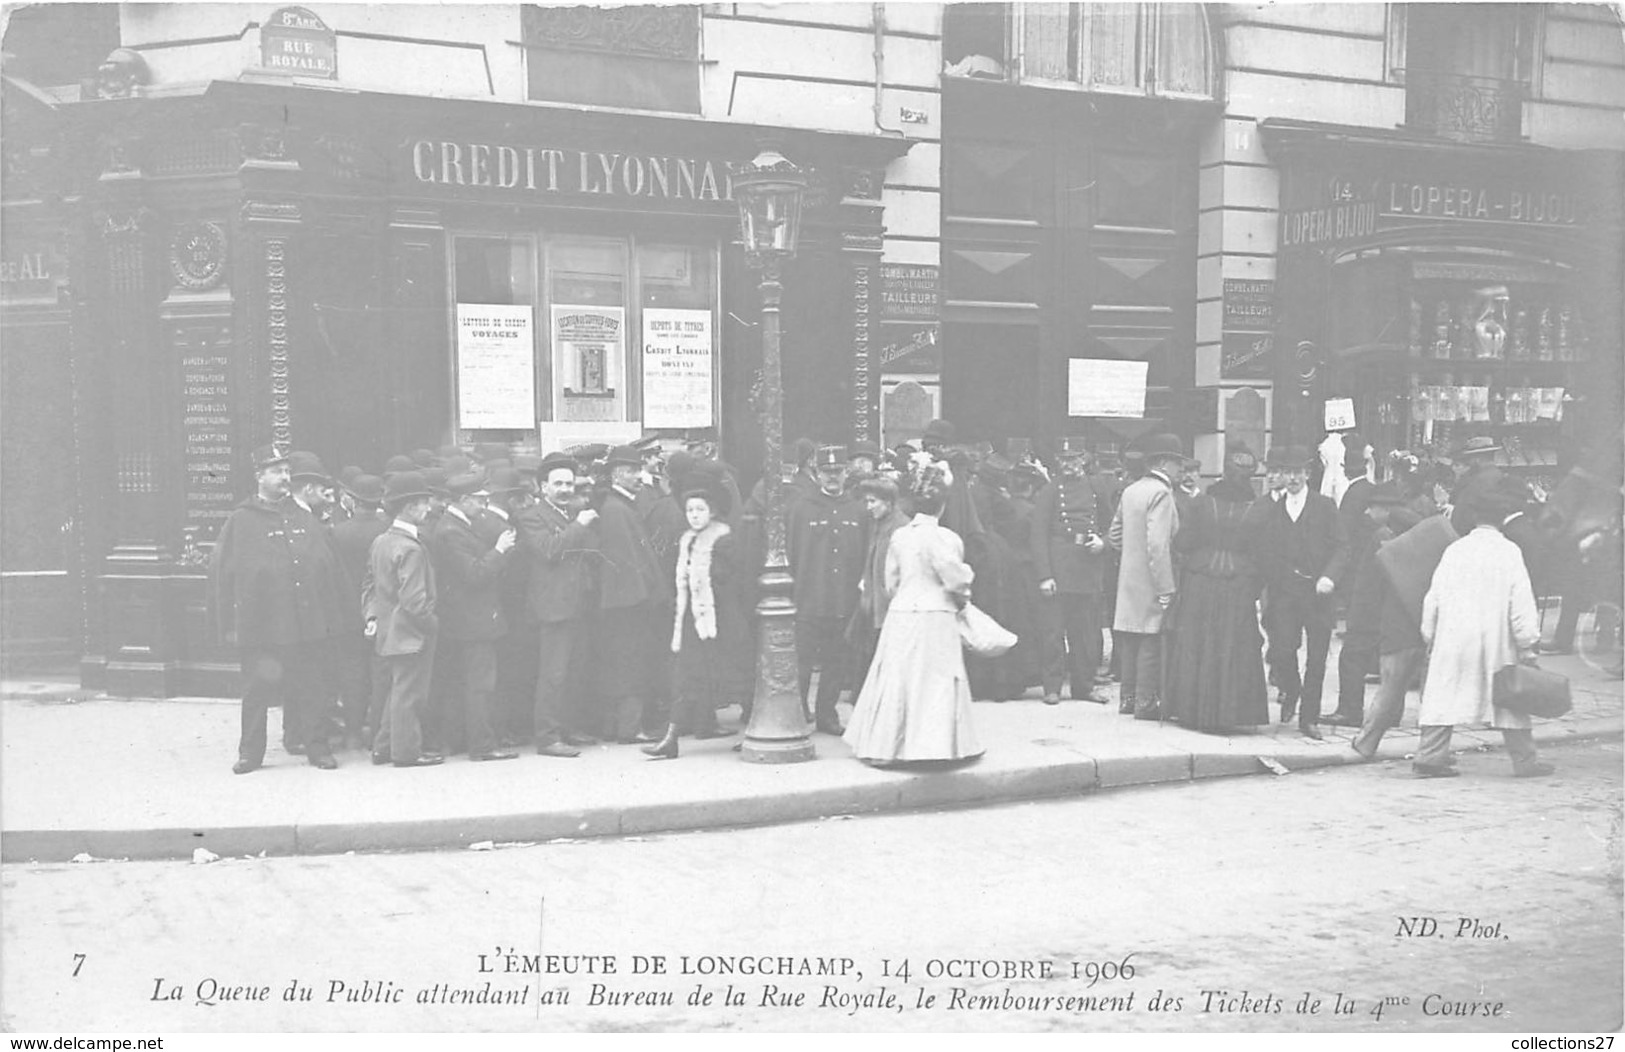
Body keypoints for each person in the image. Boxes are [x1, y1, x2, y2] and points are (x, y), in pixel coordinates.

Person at [210, 444, 348, 774]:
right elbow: (221, 573)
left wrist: (332, 616)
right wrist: (228, 624)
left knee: (313, 687)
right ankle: (250, 753)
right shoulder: (241, 521)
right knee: (256, 691)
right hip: (263, 628)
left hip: (306, 625)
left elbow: (327, 566)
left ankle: (317, 747)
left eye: (287, 471)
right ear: (259, 476)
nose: (285, 477)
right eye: (276, 471)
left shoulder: (303, 516)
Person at [843, 458, 983, 765]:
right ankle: (934, 748)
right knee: (936, 681)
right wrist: (962, 597)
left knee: (898, 677)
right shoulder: (946, 538)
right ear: (941, 506)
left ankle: (889, 746)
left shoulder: (901, 536)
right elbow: (955, 579)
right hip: (935, 614)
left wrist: (905, 596)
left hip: (902, 612)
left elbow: (890, 580)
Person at [1413, 478, 1553, 778]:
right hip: (1494, 640)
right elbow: (1521, 604)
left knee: (1444, 694)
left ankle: (1429, 756)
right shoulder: (1509, 552)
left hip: (1453, 638)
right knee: (1509, 699)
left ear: (1475, 518)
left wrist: (1430, 633)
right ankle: (1525, 760)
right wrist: (1528, 643)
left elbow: (1433, 596)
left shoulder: (1455, 550)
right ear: (1502, 519)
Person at [645, 475, 754, 759]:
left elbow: (729, 581)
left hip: (722, 621)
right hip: (692, 622)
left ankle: (755, 731)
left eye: (700, 510)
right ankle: (671, 738)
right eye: (690, 510)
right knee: (683, 678)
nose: (694, 515)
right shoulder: (687, 540)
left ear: (713, 511)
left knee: (736, 678)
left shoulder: (724, 539)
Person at [1164, 444, 1269, 732]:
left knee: (1198, 642)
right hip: (1238, 584)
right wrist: (1254, 585)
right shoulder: (1258, 509)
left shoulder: (1202, 504)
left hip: (1201, 581)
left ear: (1224, 471)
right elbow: (1262, 555)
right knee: (1233, 644)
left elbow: (1182, 542)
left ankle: (1192, 710)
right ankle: (1230, 713)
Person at [1255, 444, 1348, 740]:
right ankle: (1291, 689)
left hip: (1318, 592)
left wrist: (1330, 576)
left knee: (1318, 657)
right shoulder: (1273, 508)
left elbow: (1342, 547)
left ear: (1308, 474)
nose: (1293, 478)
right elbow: (1264, 549)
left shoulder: (1324, 506)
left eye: (1298, 473)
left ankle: (1309, 718)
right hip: (1285, 592)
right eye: (1287, 473)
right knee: (1282, 649)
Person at [428, 469, 519, 762]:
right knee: (479, 685)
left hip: (468, 621)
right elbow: (474, 574)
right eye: (480, 500)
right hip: (472, 622)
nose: (483, 506)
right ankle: (481, 746)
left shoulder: (459, 524)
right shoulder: (451, 530)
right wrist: (500, 550)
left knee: (467, 683)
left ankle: (460, 741)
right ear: (465, 499)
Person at [520, 453, 601, 757]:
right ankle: (548, 736)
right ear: (543, 487)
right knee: (553, 674)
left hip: (578, 604)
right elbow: (549, 550)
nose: (565, 489)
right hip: (552, 608)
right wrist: (579, 525)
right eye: (558, 484)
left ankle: (569, 728)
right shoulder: (533, 516)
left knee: (574, 670)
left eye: (569, 483)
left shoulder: (569, 512)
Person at [787, 444, 868, 734]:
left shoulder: (858, 510)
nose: (832, 477)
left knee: (837, 663)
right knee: (802, 664)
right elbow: (791, 553)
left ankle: (826, 715)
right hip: (809, 599)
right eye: (826, 471)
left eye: (837, 471)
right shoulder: (801, 508)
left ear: (847, 472)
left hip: (844, 601)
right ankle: (797, 713)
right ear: (816, 473)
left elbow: (863, 558)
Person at [364, 471, 443, 767]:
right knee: (409, 696)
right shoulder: (411, 548)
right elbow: (414, 602)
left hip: (388, 632)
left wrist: (372, 617)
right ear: (410, 507)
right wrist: (431, 624)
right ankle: (407, 753)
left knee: (396, 692)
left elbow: (369, 586)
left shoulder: (381, 541)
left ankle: (383, 748)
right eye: (424, 503)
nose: (428, 509)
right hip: (411, 633)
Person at [593, 445, 671, 741]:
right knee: (630, 664)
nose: (640, 476)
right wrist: (646, 597)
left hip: (629, 601)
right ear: (618, 474)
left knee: (630, 663)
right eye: (633, 471)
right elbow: (627, 561)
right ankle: (630, 728)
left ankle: (628, 726)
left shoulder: (621, 505)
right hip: (629, 604)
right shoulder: (616, 509)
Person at [1108, 434, 1183, 721]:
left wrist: (1130, 553)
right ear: (1164, 463)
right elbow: (1158, 544)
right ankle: (1146, 702)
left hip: (1128, 576)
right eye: (1177, 463)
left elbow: (1115, 534)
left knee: (1130, 637)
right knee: (1151, 638)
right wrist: (1166, 586)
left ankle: (1127, 699)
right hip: (1153, 576)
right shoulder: (1162, 493)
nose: (1179, 470)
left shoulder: (1132, 489)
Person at [1031, 438, 1110, 705]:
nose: (1068, 464)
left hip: (1087, 567)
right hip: (1058, 568)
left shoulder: (1097, 488)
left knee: (1085, 634)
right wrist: (1044, 575)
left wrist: (1103, 542)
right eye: (1063, 459)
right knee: (1053, 632)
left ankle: (1084, 687)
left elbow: (1112, 526)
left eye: (1073, 459)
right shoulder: (1050, 491)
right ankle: (1052, 687)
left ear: (1083, 460)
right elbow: (1038, 536)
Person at [328, 473, 390, 748]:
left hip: (347, 610)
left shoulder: (338, 532)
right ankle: (377, 730)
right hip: (381, 608)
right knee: (380, 672)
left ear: (353, 501)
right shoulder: (388, 529)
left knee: (352, 673)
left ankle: (353, 731)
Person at [852, 475, 910, 684]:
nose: (868, 507)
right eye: (867, 501)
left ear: (888, 502)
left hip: (889, 606)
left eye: (873, 501)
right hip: (872, 603)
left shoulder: (902, 527)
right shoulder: (877, 523)